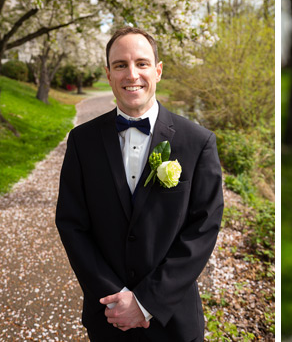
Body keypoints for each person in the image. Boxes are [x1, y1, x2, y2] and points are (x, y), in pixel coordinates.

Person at [56, 26, 224, 341]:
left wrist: (147, 301)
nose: (132, 74)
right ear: (108, 74)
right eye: (121, 65)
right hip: (108, 315)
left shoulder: (198, 142)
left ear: (158, 71)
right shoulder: (82, 141)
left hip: (173, 319)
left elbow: (203, 228)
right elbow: (71, 223)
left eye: (142, 63)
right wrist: (114, 295)